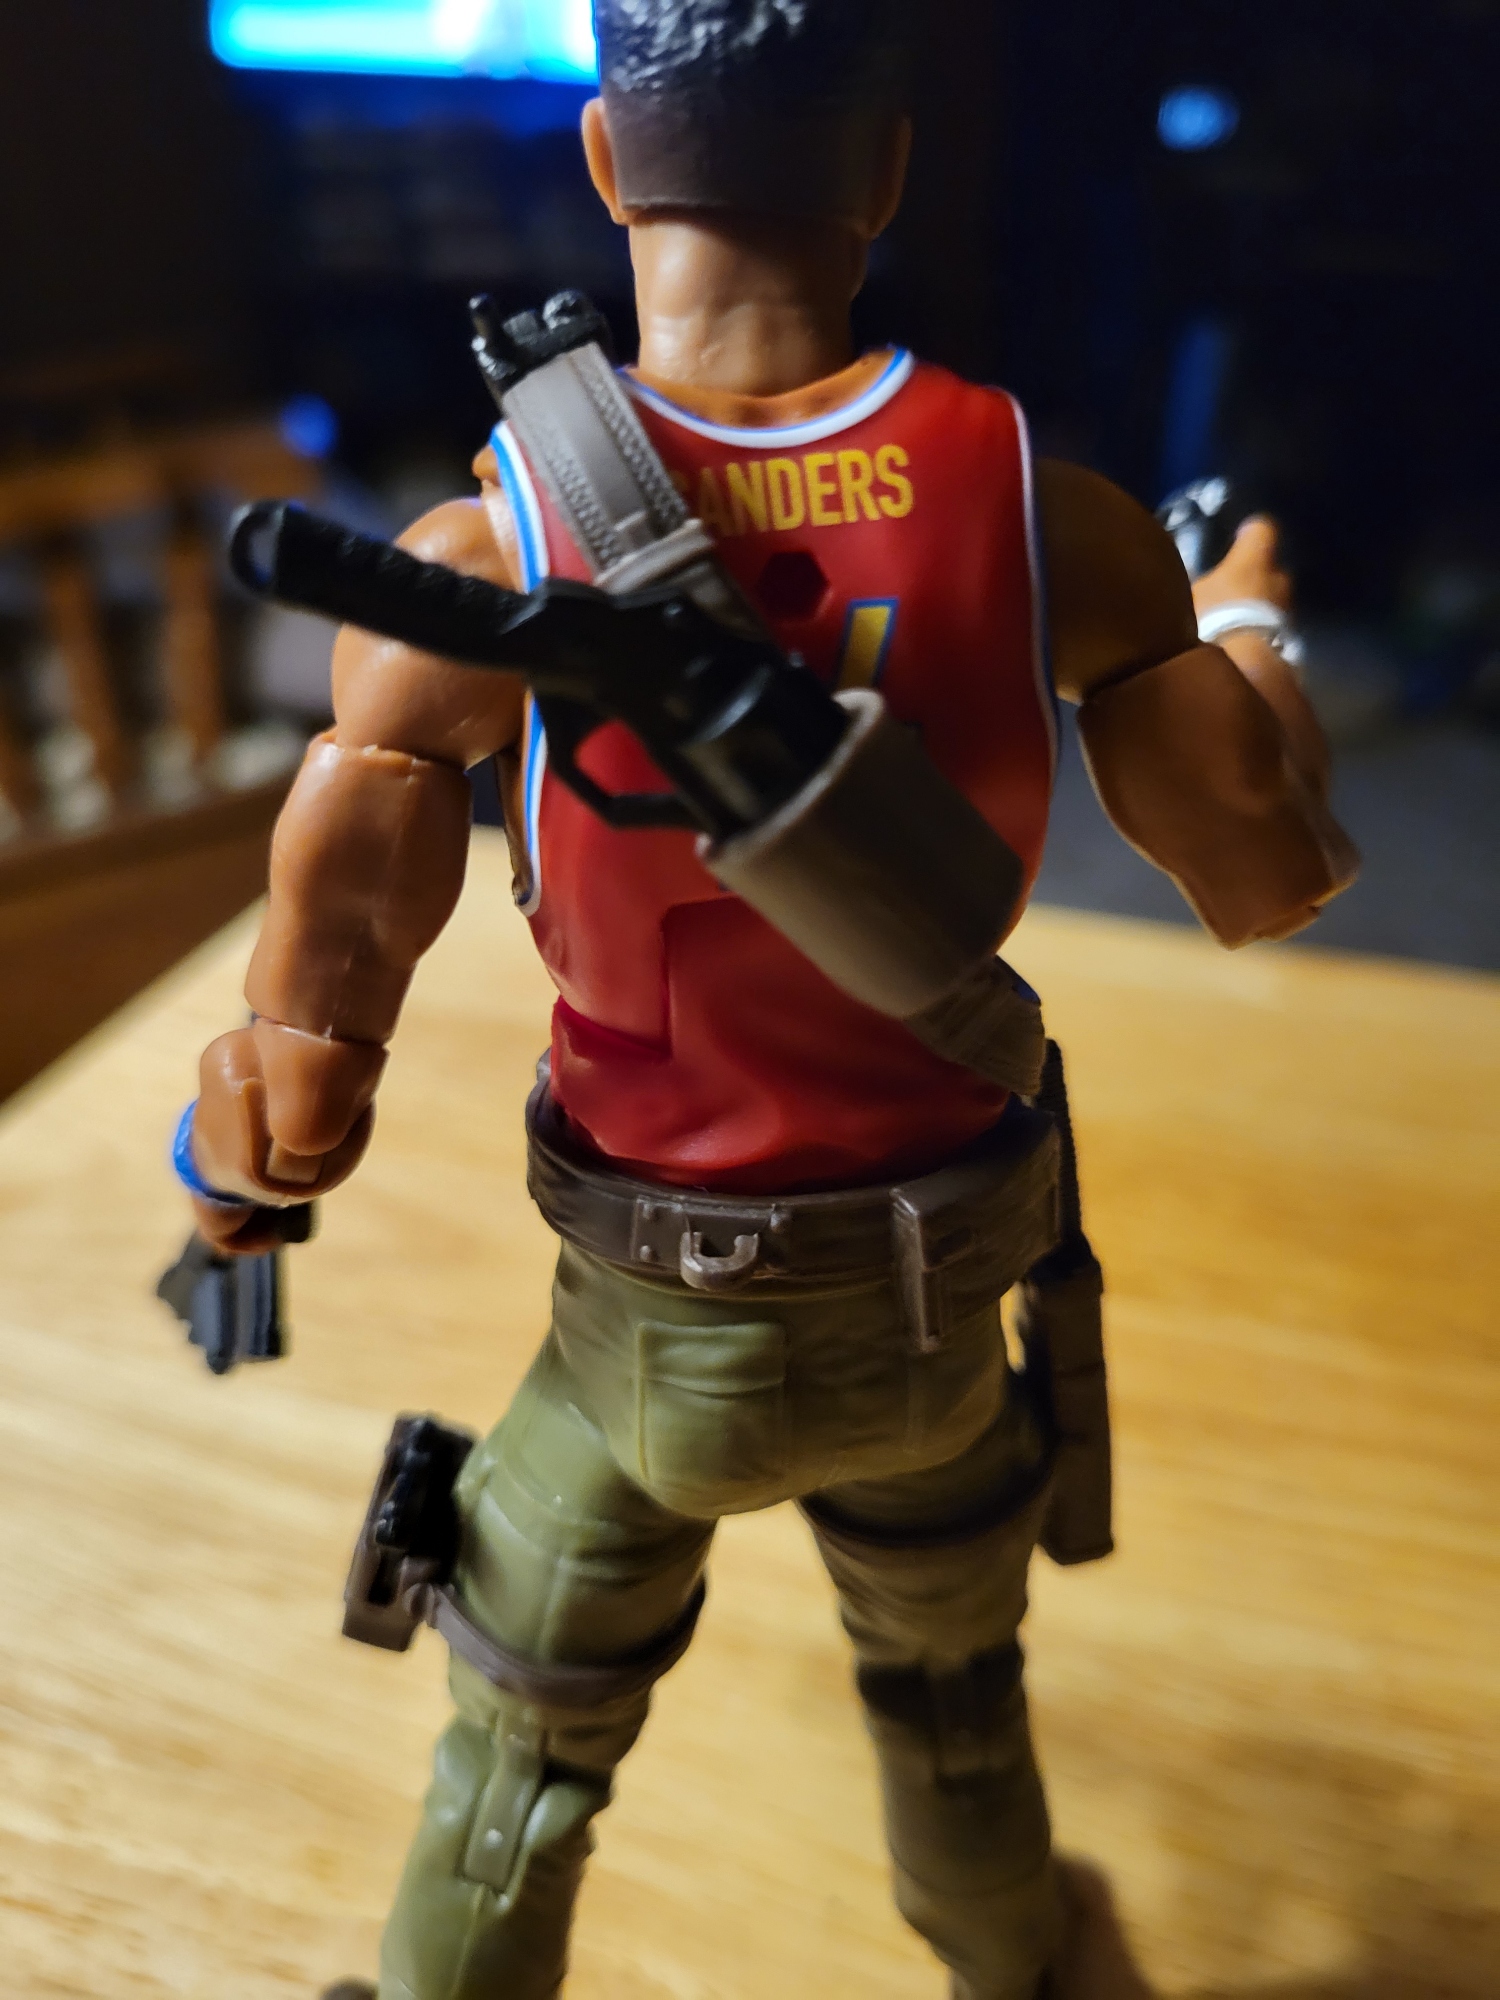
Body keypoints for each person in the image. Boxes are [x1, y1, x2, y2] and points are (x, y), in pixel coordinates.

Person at [178, 5, 1357, 1996]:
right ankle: (1023, 1966)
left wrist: (236, 1183)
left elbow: (309, 1039)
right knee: (956, 1701)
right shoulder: (1045, 512)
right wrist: (1243, 619)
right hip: (930, 1315)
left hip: (645, 1342)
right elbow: (1269, 867)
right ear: (884, 171)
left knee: (519, 1745)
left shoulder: (493, 539)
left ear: (606, 164)